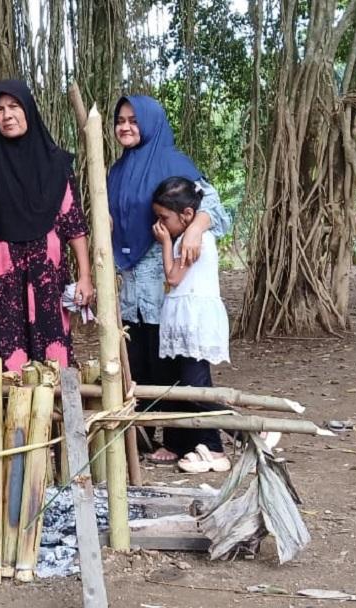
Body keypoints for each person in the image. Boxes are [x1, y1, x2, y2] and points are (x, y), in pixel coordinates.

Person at [106, 95, 231, 464]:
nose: (125, 127)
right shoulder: (116, 170)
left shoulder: (173, 162)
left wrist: (193, 231)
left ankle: (196, 440)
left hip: (169, 276)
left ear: (150, 122)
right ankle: (160, 437)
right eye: (120, 120)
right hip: (132, 281)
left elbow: (212, 206)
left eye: (134, 120)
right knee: (142, 358)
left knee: (176, 363)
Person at [0, 79, 93, 372]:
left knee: (53, 365)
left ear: (28, 109)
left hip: (47, 279)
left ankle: (56, 404)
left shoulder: (56, 166)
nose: (7, 115)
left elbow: (73, 223)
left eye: (14, 106)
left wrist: (85, 276)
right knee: (4, 369)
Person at [149, 177, 235, 473]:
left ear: (187, 214)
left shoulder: (192, 240)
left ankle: (224, 442)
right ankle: (187, 443)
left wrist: (164, 244)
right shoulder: (185, 238)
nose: (160, 225)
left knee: (196, 387)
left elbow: (173, 278)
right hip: (184, 320)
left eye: (164, 218)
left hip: (194, 322)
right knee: (182, 383)